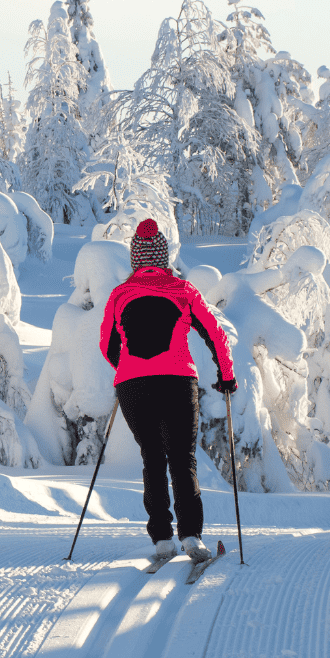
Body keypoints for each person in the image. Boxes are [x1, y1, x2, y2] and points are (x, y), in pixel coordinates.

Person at [98, 218, 236, 564]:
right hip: (176, 381)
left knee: (153, 458)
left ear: (135, 258)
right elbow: (215, 334)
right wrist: (226, 376)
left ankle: (162, 539)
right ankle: (191, 536)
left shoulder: (120, 295)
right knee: (181, 456)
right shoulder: (183, 291)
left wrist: (128, 369)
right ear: (162, 257)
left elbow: (107, 344)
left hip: (133, 386)